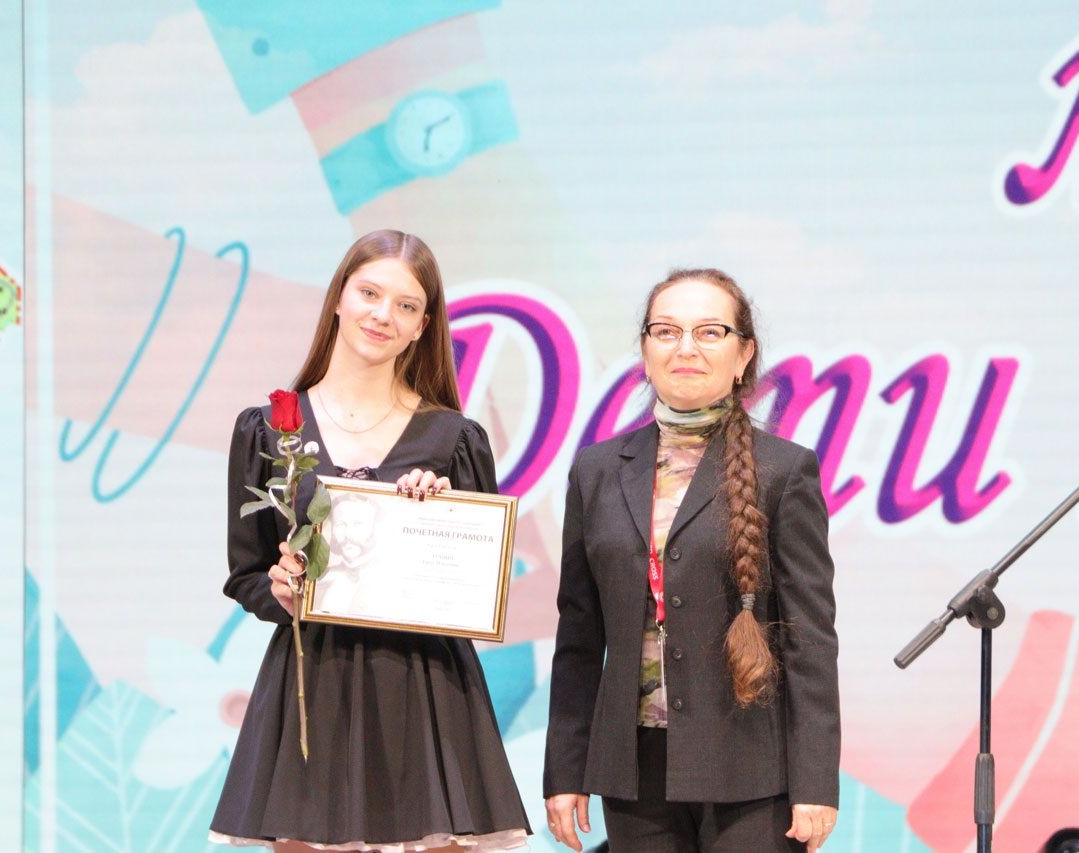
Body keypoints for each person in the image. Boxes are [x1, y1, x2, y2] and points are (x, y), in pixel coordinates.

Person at [210, 230, 530, 852]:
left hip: (428, 693)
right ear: (338, 298)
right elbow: (246, 572)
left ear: (422, 327)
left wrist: (442, 517)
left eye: (406, 306)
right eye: (370, 293)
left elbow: (479, 588)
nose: (384, 315)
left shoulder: (454, 439)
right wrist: (282, 591)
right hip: (312, 686)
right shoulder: (269, 431)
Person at [543, 269, 840, 852]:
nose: (686, 348)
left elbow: (809, 639)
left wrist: (815, 782)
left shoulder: (784, 470)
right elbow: (579, 634)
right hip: (633, 771)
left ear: (743, 354)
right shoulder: (597, 470)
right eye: (666, 331)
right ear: (645, 350)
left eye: (709, 332)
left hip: (751, 767)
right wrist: (565, 769)